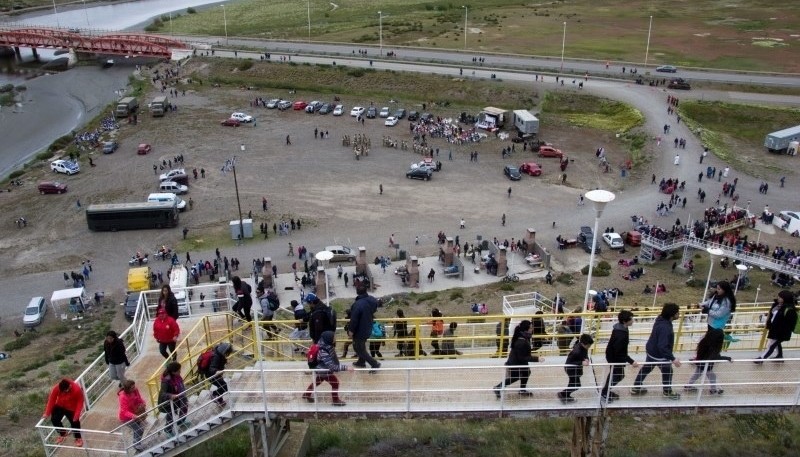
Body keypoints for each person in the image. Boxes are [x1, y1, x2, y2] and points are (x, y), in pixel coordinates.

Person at [630, 303, 682, 400]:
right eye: (677, 313)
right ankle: (667, 391)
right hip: (660, 356)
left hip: (651, 351)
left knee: (646, 369)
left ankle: (636, 387)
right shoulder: (665, 327)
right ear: (672, 315)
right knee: (668, 372)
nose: (679, 314)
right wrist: (673, 359)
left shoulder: (660, 319)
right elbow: (662, 346)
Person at [493, 320, 544, 398]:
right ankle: (498, 387)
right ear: (526, 329)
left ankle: (522, 389)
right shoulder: (522, 341)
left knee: (526, 373)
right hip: (516, 363)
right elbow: (523, 357)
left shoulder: (523, 337)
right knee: (515, 377)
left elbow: (524, 354)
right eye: (530, 328)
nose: (532, 329)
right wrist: (537, 359)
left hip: (517, 361)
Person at [303, 331, 353, 406]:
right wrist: (346, 368)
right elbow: (332, 366)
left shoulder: (326, 345)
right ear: (328, 338)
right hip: (323, 371)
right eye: (333, 337)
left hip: (321, 369)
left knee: (317, 382)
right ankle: (335, 400)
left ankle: (306, 395)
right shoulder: (324, 350)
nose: (335, 339)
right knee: (335, 383)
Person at [600, 310, 639, 402]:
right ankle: (605, 392)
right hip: (614, 357)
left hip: (613, 355)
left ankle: (606, 390)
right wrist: (631, 361)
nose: (633, 321)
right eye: (631, 319)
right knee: (618, 375)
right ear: (625, 321)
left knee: (617, 375)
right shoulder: (621, 334)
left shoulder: (621, 328)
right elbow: (619, 351)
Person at [684, 328, 732, 394]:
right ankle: (713, 389)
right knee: (712, 376)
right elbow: (715, 357)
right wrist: (728, 358)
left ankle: (688, 385)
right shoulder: (714, 346)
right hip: (706, 364)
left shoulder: (704, 341)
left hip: (700, 362)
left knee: (697, 374)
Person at [756, 290, 798, 363]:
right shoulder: (777, 305)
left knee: (771, 345)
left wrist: (782, 330)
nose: (778, 298)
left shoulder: (789, 310)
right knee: (775, 344)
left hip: (781, 332)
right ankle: (779, 356)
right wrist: (769, 324)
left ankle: (761, 359)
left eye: (780, 297)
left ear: (785, 298)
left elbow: (790, 323)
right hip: (774, 328)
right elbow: (772, 314)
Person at [348, 284, 381, 372]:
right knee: (360, 346)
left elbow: (354, 319)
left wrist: (350, 331)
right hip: (368, 327)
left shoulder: (357, 304)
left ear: (357, 292)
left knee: (359, 348)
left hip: (359, 330)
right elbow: (374, 309)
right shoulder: (372, 300)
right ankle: (361, 361)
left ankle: (374, 364)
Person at [43, 378, 84, 447]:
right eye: (63, 391)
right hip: (60, 405)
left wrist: (76, 415)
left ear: (70, 386)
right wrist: (47, 413)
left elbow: (80, 403)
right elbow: (51, 400)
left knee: (75, 422)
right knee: (54, 419)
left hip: (71, 408)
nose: (65, 392)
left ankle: (78, 438)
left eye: (66, 390)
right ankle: (63, 433)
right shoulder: (57, 388)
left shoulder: (77, 390)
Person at [558, 334, 594, 403]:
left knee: (572, 384)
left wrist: (586, 359)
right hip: (571, 369)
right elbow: (569, 362)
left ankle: (564, 395)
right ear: (583, 343)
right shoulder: (576, 351)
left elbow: (585, 354)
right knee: (576, 385)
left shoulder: (583, 347)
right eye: (588, 346)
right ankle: (563, 394)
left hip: (575, 369)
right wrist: (581, 363)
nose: (589, 347)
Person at [158, 361, 188, 436]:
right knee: (170, 416)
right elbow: (163, 394)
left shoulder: (176, 376)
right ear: (173, 372)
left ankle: (181, 422)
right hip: (169, 402)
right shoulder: (166, 381)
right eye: (178, 371)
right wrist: (170, 395)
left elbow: (180, 385)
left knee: (184, 407)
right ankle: (168, 431)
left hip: (179, 397)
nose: (180, 372)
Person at [117, 380, 147, 451]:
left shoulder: (135, 390)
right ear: (128, 389)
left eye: (134, 386)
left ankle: (137, 443)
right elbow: (124, 411)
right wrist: (133, 416)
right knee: (139, 430)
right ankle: (136, 444)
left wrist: (143, 402)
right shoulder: (122, 397)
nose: (134, 388)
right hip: (126, 418)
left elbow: (139, 398)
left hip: (135, 413)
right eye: (132, 387)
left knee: (137, 430)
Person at [207, 342, 233, 407]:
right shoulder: (216, 356)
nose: (227, 354)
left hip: (216, 375)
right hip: (212, 375)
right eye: (227, 353)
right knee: (224, 386)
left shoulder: (219, 352)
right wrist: (217, 371)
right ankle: (213, 394)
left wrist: (225, 361)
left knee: (221, 386)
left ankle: (220, 400)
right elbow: (211, 368)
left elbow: (221, 360)